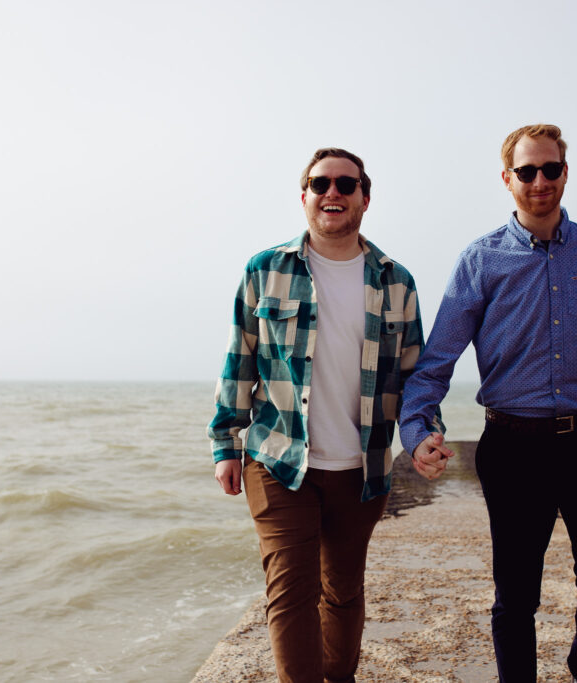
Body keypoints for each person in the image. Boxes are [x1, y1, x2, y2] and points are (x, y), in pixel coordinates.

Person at [399, 124, 577, 683]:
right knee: (516, 595)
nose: (539, 181)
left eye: (551, 169)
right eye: (527, 171)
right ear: (507, 179)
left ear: (565, 173)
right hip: (514, 447)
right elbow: (435, 361)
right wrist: (420, 428)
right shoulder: (480, 260)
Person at [208, 147, 447, 683]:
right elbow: (238, 359)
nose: (332, 193)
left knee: (342, 591)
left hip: (361, 470)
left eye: (345, 184)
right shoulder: (265, 269)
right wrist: (226, 442)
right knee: (290, 593)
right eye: (321, 184)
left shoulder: (396, 281)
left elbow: (416, 377)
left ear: (365, 197)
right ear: (305, 197)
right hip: (277, 458)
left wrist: (426, 435)